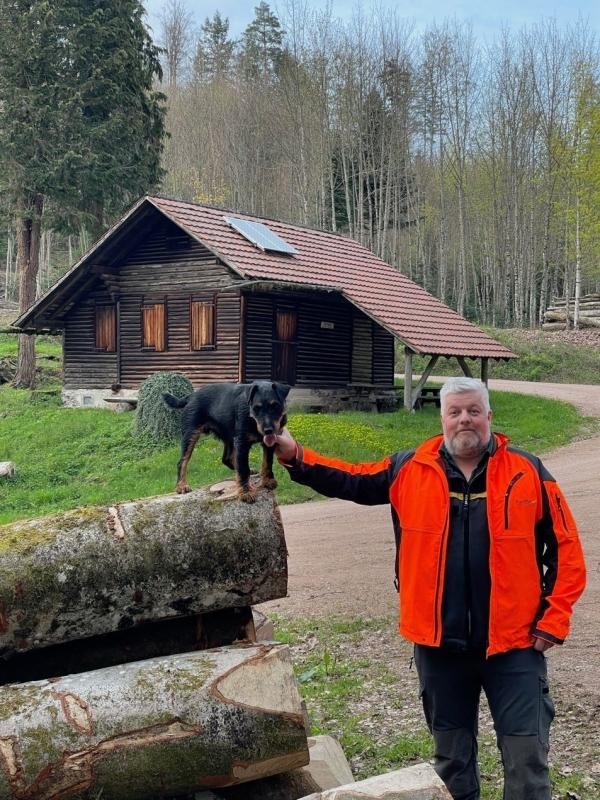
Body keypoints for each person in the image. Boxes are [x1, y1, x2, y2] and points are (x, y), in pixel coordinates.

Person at [272, 376, 586, 800]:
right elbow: (352, 478)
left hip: (515, 648)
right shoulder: (409, 468)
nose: (465, 420)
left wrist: (554, 619)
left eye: (474, 411)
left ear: (489, 416)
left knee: (527, 761)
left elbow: (566, 548)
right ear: (442, 418)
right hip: (438, 648)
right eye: (455, 412)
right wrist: (296, 456)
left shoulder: (528, 471)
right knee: (452, 763)